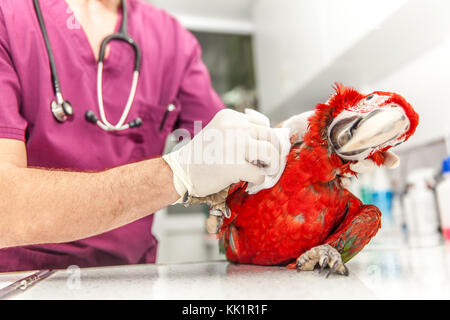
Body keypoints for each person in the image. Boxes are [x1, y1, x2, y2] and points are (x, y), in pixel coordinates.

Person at [0, 0, 398, 272]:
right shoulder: (10, 17)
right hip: (18, 277)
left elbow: (238, 151)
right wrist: (178, 174)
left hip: (131, 277)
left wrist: (313, 142)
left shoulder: (169, 40)